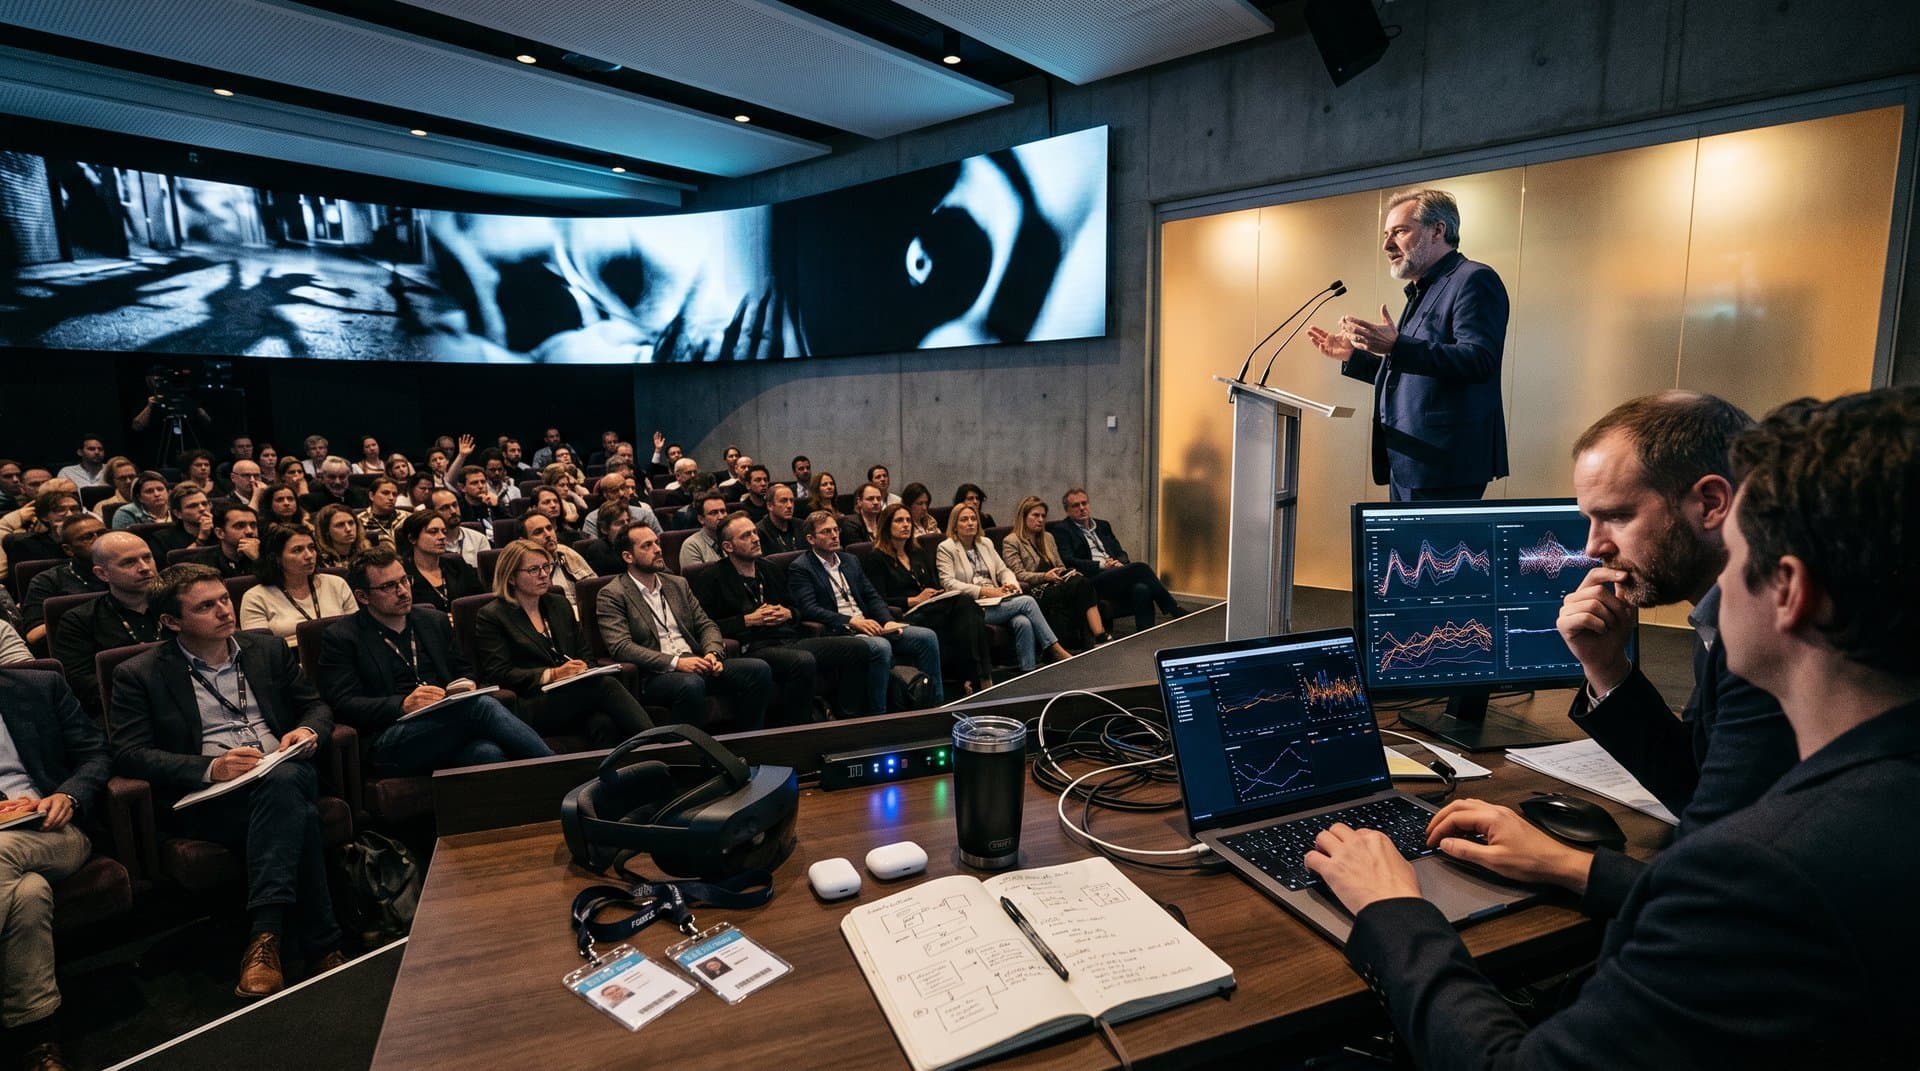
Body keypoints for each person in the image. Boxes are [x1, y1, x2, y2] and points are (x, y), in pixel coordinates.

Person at [1305, 387, 1920, 1067]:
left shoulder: (1758, 873)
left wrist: (1396, 910)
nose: (1716, 594)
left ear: (1790, 590)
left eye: (1738, 557)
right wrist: (1570, 865)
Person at [1555, 393, 1797, 880]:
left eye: (1618, 516)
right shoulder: (1718, 610)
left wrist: (1556, 863)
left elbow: (1724, 875)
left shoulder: (1773, 637)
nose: (1593, 547)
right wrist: (1606, 667)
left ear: (1710, 503)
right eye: (1590, 520)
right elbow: (1701, 789)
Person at [107, 564, 344, 999]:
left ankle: (266, 937)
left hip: (283, 768)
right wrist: (210, 767)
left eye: (223, 599)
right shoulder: (139, 673)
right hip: (212, 797)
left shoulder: (267, 649)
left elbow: (316, 707)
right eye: (205, 606)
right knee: (300, 814)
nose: (223, 611)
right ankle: (322, 945)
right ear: (171, 621)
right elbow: (129, 753)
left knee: (284, 777)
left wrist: (308, 731)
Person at [1306, 188, 1509, 501]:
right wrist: (1354, 357)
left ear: (1437, 230)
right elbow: (1416, 375)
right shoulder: (1423, 290)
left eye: (1399, 231)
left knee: (1436, 552)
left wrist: (1396, 346)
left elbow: (1478, 359)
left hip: (1445, 466)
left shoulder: (1473, 280)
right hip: (1409, 462)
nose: (1387, 245)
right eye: (1387, 234)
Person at [316, 546, 554, 776]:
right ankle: (557, 769)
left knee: (486, 753)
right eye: (389, 586)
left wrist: (465, 685)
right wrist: (402, 704)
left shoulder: (433, 621)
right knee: (480, 707)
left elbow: (464, 670)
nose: (402, 591)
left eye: (404, 580)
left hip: (447, 723)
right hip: (390, 738)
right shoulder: (342, 637)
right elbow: (343, 703)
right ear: (362, 596)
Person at [0, 666, 111, 1071]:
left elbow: (96, 752)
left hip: (54, 830)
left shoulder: (38, 686)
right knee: (28, 894)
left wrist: (69, 793)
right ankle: (38, 1041)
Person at [694, 513, 888, 723]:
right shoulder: (712, 578)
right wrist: (748, 620)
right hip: (754, 646)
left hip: (789, 639)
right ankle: (797, 728)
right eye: (746, 536)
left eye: (755, 533)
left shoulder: (769, 568)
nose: (755, 538)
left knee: (858, 648)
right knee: (802, 661)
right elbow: (706, 626)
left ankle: (848, 719)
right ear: (728, 547)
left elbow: (798, 609)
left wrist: (788, 613)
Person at [474, 540, 654, 747]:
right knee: (606, 686)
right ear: (512, 577)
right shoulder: (492, 615)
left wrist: (583, 669)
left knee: (602, 723)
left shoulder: (558, 604)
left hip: (573, 695)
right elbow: (499, 673)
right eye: (533, 569)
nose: (543, 574)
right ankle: (661, 744)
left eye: (546, 567)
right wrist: (553, 674)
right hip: (531, 703)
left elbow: (585, 653)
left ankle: (618, 775)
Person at [595, 525, 771, 731]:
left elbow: (706, 624)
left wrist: (712, 653)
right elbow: (621, 646)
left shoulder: (677, 584)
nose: (658, 549)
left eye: (657, 543)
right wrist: (676, 663)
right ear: (628, 556)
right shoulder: (612, 594)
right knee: (690, 684)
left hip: (697, 662)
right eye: (647, 546)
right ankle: (684, 755)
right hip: (654, 675)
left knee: (758, 670)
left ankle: (747, 743)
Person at [789, 510, 944, 710]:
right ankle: (878, 715)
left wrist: (887, 620)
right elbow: (809, 609)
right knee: (881, 646)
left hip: (871, 625)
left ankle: (935, 706)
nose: (834, 535)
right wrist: (849, 620)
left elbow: (872, 596)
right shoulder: (801, 567)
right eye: (826, 532)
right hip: (841, 631)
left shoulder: (850, 560)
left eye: (836, 530)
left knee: (926, 637)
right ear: (811, 538)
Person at [864, 504, 991, 692]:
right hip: (904, 614)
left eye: (908, 520)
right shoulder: (876, 558)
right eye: (899, 521)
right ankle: (979, 677)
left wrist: (936, 594)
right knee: (965, 604)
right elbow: (878, 599)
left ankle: (971, 678)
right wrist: (913, 600)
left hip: (932, 608)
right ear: (886, 526)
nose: (906, 525)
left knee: (966, 610)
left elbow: (934, 584)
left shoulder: (917, 552)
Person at [937, 503, 1069, 673]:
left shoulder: (985, 543)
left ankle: (1027, 673)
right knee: (1027, 602)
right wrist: (984, 591)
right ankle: (1055, 649)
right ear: (954, 525)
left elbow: (1003, 570)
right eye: (964, 520)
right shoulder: (946, 548)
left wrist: (1010, 585)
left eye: (973, 519)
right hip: (972, 607)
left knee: (1023, 621)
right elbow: (948, 583)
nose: (970, 523)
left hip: (996, 600)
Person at [53, 532, 162, 717]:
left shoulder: (180, 605)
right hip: (124, 712)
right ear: (102, 573)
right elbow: (83, 684)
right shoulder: (79, 620)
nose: (144, 568)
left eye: (147, 557)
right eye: (129, 562)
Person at [1050, 488, 1181, 633]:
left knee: (1141, 588)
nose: (1082, 508)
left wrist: (1120, 562)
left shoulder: (1102, 525)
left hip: (1113, 574)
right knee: (1140, 568)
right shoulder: (1062, 530)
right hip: (1091, 580)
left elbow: (1120, 552)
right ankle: (1173, 609)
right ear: (1067, 510)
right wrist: (1102, 565)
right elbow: (1068, 561)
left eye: (1084, 503)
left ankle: (1146, 635)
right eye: (1076, 505)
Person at [1000, 495, 1109, 648]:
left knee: (1081, 581)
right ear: (1023, 517)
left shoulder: (1048, 537)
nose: (1040, 520)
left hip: (1056, 585)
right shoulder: (1012, 541)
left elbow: (1060, 565)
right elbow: (1017, 574)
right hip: (1034, 591)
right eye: (1035, 515)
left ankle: (1093, 639)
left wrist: (1067, 573)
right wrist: (1045, 576)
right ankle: (1100, 635)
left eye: (1043, 516)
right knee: (1082, 585)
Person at [239, 525, 355, 644]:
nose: (309, 555)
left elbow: (358, 631)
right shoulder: (255, 598)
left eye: (311, 548)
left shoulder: (336, 583)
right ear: (276, 558)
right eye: (297, 550)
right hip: (289, 660)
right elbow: (262, 650)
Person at [21, 516, 107, 648]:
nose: (99, 541)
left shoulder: (128, 571)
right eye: (87, 537)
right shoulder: (47, 580)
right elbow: (34, 634)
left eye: (102, 534)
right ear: (68, 550)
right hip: (77, 648)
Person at [396, 510, 482, 618]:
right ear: (412, 538)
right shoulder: (403, 575)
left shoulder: (456, 564)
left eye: (444, 531)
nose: (442, 537)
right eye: (433, 531)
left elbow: (479, 600)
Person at [518, 510, 595, 617]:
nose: (548, 535)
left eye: (549, 528)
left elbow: (594, 587)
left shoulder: (568, 553)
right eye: (538, 532)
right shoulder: (524, 571)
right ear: (523, 541)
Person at [2, 489, 81, 568]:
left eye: (74, 509)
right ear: (44, 516)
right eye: (60, 510)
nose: (70, 514)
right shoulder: (26, 544)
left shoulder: (90, 539)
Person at [185, 503, 260, 580]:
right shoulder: (203, 563)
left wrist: (258, 559)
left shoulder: (268, 554)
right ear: (220, 533)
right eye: (240, 526)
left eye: (253, 525)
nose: (250, 531)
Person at [581, 473, 662, 540]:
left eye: (623, 488)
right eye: (614, 490)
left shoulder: (644, 514)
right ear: (605, 494)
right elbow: (595, 549)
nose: (621, 493)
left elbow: (660, 540)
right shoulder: (592, 518)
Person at [144, 483, 214, 559]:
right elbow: (176, 569)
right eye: (193, 506)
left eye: (204, 504)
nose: (202, 509)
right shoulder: (161, 539)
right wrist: (201, 540)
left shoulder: (221, 530)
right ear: (178, 513)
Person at [428, 489, 487, 569]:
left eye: (455, 505)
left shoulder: (479, 539)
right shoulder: (428, 543)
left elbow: (486, 576)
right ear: (432, 512)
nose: (453, 511)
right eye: (445, 508)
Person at [310, 503, 372, 570]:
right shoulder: (318, 561)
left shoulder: (367, 552)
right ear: (326, 531)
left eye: (351, 523)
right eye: (340, 525)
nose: (348, 529)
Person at [678, 492, 730, 570]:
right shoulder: (691, 546)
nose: (721, 517)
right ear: (701, 519)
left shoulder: (734, 538)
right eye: (714, 513)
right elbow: (697, 580)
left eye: (723, 511)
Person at [299, 457, 366, 515]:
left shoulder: (362, 495)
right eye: (332, 477)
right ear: (323, 477)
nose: (338, 482)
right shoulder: (310, 500)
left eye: (342, 477)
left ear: (348, 476)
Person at [755, 483, 804, 554]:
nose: (789, 505)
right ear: (770, 506)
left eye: (791, 501)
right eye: (783, 501)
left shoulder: (802, 526)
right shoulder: (760, 532)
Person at [358, 477, 404, 547]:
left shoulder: (407, 518)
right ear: (371, 496)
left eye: (394, 494)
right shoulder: (359, 521)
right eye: (385, 493)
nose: (391, 498)